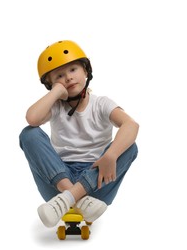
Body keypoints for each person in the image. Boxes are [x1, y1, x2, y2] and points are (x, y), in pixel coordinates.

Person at [19, 40, 139, 228]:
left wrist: (111, 155)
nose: (68, 78)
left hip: (98, 178)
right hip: (58, 181)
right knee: (29, 134)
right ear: (50, 84)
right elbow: (32, 119)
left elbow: (131, 125)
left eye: (73, 70)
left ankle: (68, 199)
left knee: (129, 146)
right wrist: (57, 91)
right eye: (59, 76)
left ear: (86, 71)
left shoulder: (101, 104)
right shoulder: (56, 107)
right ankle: (75, 198)